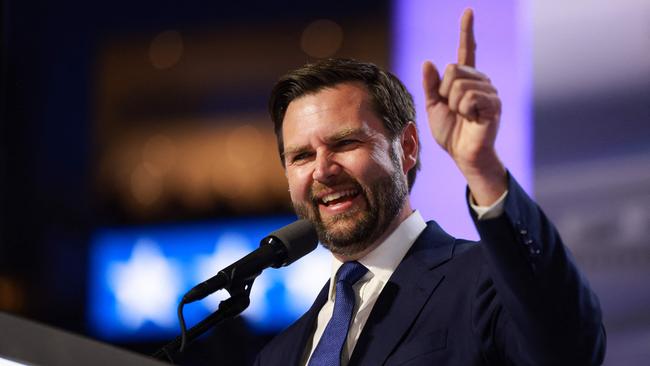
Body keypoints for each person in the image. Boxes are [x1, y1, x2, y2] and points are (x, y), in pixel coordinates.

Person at [255, 9, 605, 366]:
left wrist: (482, 168)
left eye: (345, 143)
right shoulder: (277, 355)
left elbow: (569, 351)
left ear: (406, 147)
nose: (323, 170)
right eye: (301, 156)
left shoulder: (484, 283)